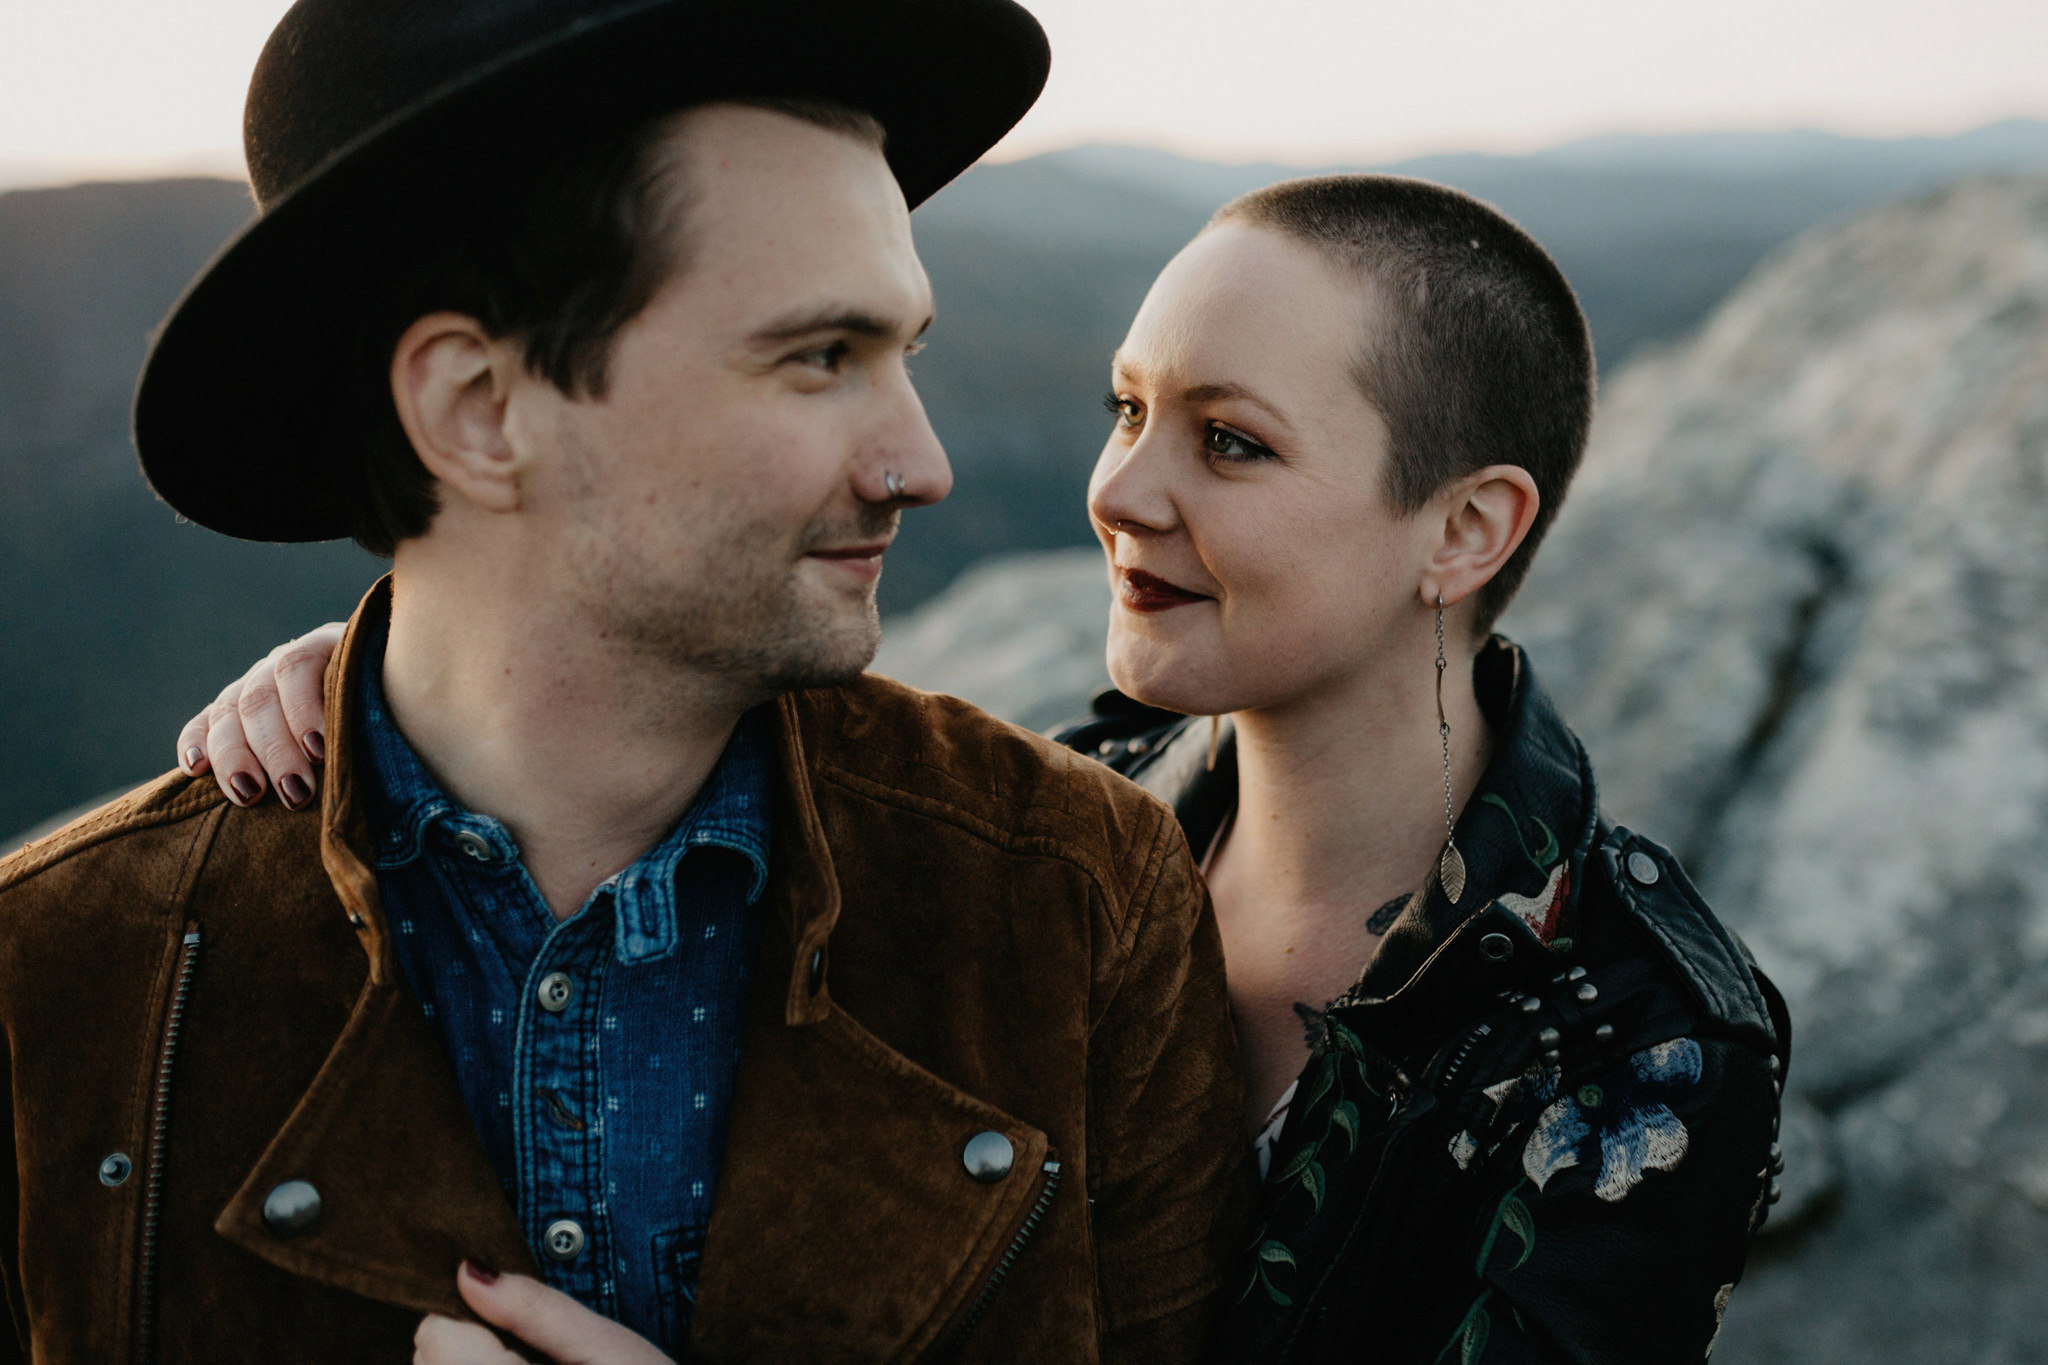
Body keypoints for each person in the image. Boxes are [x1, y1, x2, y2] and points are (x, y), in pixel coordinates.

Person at [190, 179, 1791, 1361]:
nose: (1120, 490)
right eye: (1128, 409)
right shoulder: (1052, 832)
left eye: (1228, 443)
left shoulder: (1641, 1031)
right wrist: (405, 687)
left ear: (1465, 530)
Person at [0, 2, 1254, 1362]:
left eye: (909, 351)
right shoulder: (55, 974)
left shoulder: (1074, 899)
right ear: (479, 410)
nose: (921, 460)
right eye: (821, 357)